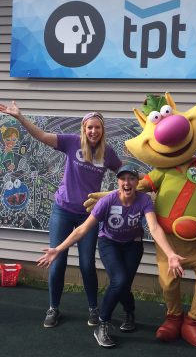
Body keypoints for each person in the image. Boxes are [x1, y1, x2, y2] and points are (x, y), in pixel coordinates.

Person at [0, 101, 122, 328]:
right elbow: (42, 136)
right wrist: (20, 117)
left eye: (97, 127)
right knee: (57, 261)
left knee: (87, 264)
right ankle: (53, 308)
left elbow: (124, 173)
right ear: (84, 129)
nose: (93, 131)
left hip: (89, 216)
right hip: (63, 210)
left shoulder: (108, 153)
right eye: (89, 127)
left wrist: (147, 182)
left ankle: (93, 309)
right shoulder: (71, 142)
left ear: (102, 130)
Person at [36, 165, 185, 348]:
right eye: (123, 179)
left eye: (131, 178)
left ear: (137, 183)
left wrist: (170, 254)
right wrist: (58, 249)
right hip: (109, 244)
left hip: (133, 245)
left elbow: (154, 228)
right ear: (118, 182)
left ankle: (129, 312)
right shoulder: (108, 201)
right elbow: (83, 229)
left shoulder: (144, 200)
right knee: (119, 280)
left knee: (124, 285)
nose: (127, 182)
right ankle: (102, 324)